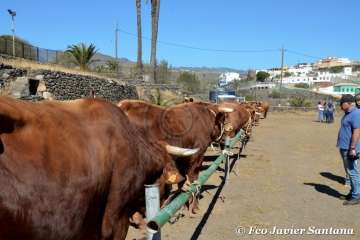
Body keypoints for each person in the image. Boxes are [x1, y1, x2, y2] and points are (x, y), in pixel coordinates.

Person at [337, 94, 360, 205]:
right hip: (344, 147)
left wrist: (352, 148)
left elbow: (357, 132)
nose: (340, 105)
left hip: (350, 149)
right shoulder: (347, 114)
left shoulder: (356, 114)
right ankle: (352, 193)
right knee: (349, 172)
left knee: (353, 172)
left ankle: (357, 196)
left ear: (349, 103)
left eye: (342, 103)